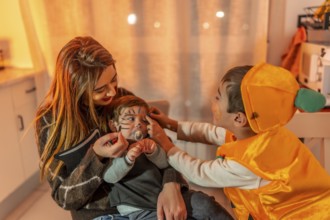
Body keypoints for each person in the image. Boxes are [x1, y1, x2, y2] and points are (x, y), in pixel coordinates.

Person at [34, 36, 190, 220]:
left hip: (148, 197)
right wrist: (96, 157)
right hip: (101, 213)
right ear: (75, 88)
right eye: (100, 89)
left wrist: (171, 183)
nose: (113, 92)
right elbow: (65, 198)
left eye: (114, 80)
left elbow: (164, 144)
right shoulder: (51, 121)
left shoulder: (122, 98)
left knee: (204, 209)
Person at [147, 63, 330, 219]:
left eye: (218, 97)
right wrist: (172, 125)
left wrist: (166, 145)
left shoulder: (249, 165)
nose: (213, 99)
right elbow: (209, 132)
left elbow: (199, 172)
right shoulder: (262, 131)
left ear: (238, 119)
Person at [102, 95, 234, 220]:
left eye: (143, 120)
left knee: (205, 203)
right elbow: (109, 176)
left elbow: (166, 164)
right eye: (131, 119)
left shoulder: (151, 140)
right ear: (114, 125)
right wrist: (127, 159)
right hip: (139, 208)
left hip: (168, 197)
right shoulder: (112, 146)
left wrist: (154, 152)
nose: (139, 124)